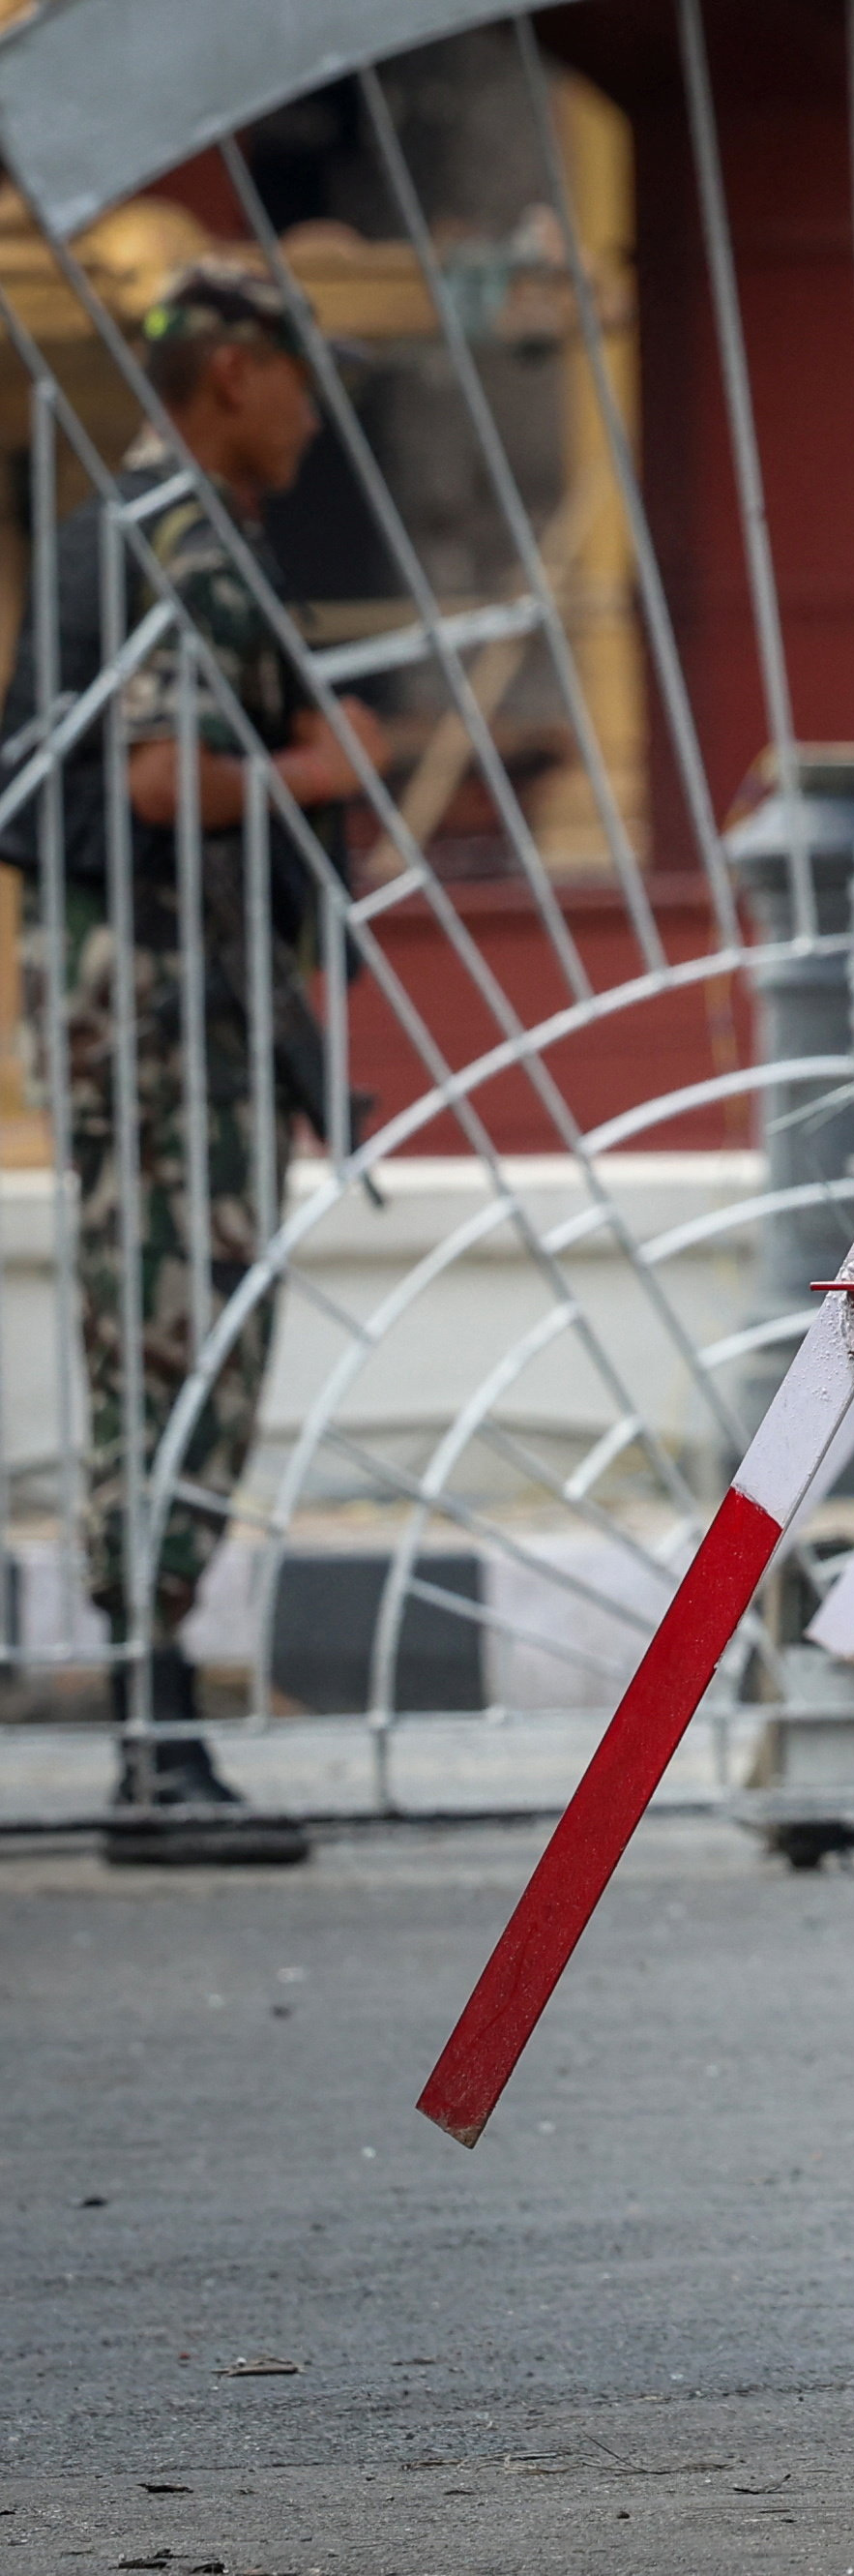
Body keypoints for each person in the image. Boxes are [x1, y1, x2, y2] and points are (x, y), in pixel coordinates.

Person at [0, 264, 382, 1868]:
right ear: (235, 372)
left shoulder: (132, 530)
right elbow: (160, 779)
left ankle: (154, 1723)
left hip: (140, 991)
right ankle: (155, 1740)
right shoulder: (187, 545)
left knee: (152, 1321)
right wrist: (323, 762)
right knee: (187, 1326)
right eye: (298, 374)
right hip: (168, 996)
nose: (314, 410)